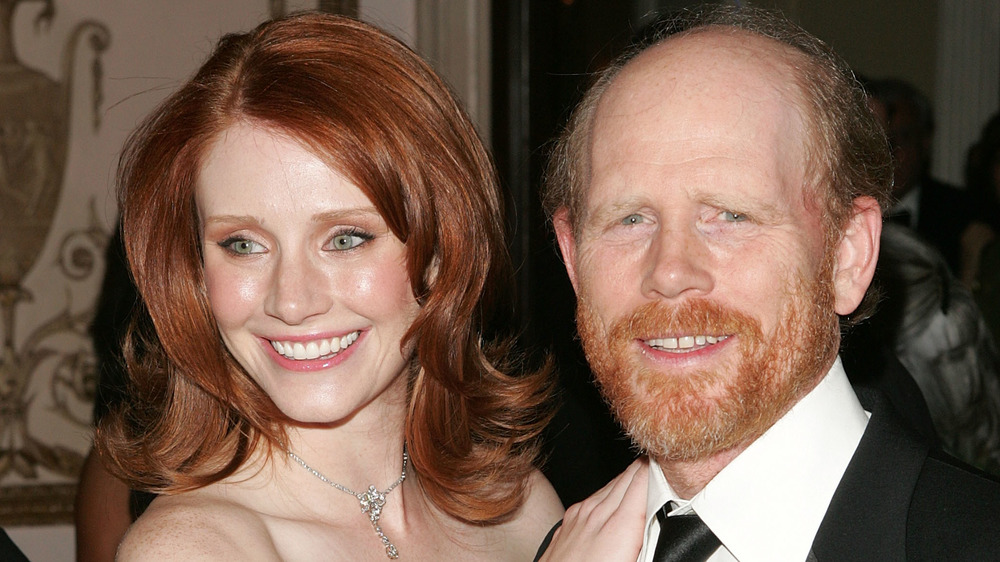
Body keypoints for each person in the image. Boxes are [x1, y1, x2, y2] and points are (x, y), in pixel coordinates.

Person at [536, 5, 1000, 561]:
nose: (670, 271)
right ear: (571, 259)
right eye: (629, 219)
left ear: (847, 255)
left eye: (731, 215)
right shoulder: (564, 548)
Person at [94, 12, 563, 560]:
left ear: (440, 251)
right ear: (194, 273)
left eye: (345, 239)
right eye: (243, 244)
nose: (292, 301)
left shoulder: (521, 509)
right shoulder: (193, 548)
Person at [869, 77, 975, 273]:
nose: (891, 151)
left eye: (903, 137)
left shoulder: (964, 216)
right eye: (880, 139)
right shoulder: (835, 208)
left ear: (925, 142)